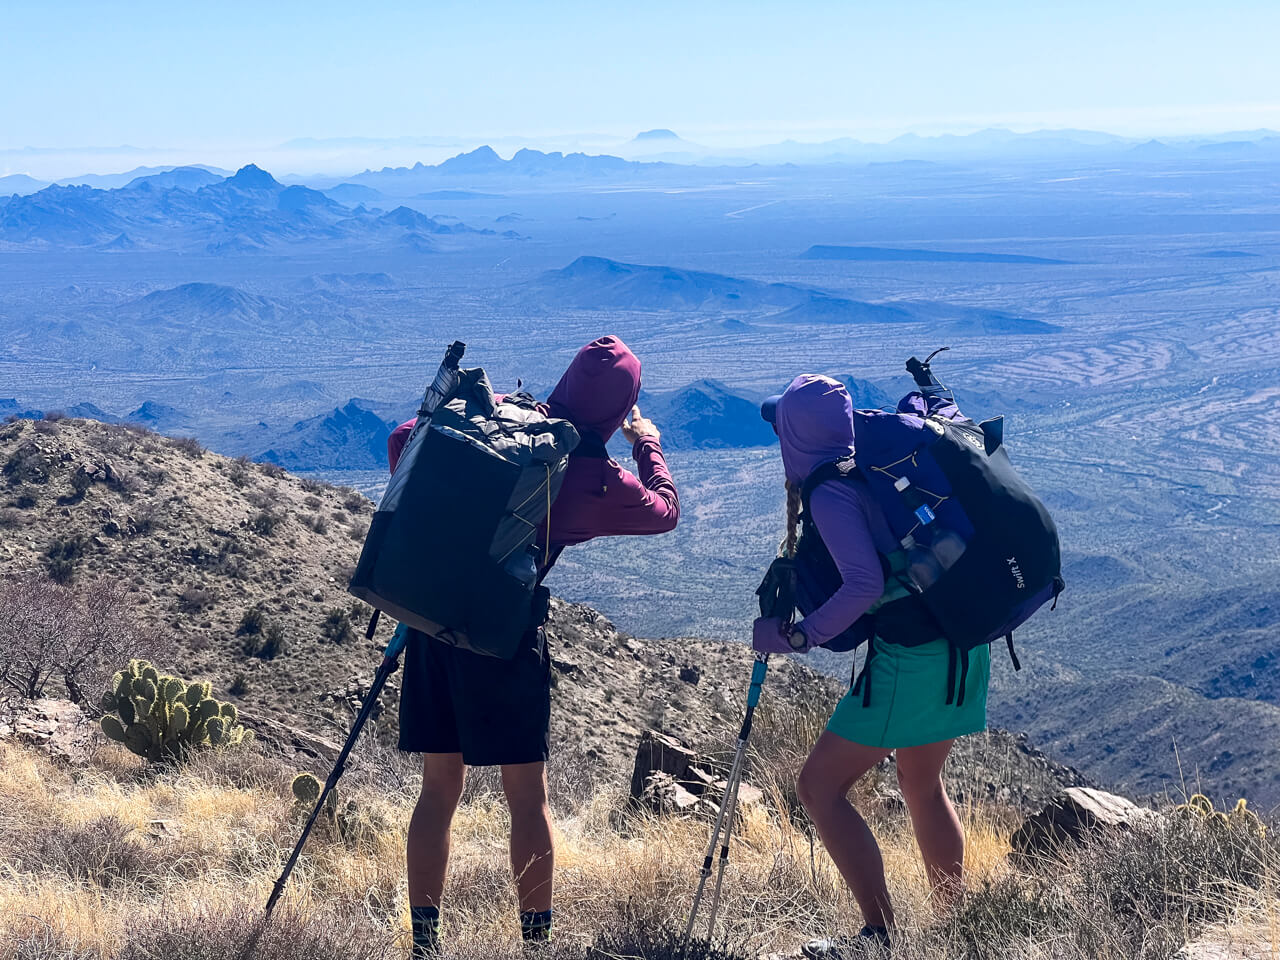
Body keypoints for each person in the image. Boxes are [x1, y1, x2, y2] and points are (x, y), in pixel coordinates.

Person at [389, 335, 680, 956]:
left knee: (438, 789)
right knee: (527, 798)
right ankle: (536, 946)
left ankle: (423, 944)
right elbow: (663, 512)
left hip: (435, 623)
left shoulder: (503, 418)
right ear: (620, 406)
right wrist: (647, 443)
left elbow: (402, 440)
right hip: (502, 637)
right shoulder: (588, 474)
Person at [753, 374, 990, 960]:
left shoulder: (831, 493)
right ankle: (953, 933)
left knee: (818, 787)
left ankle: (879, 937)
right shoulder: (874, 465)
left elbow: (863, 584)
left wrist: (802, 635)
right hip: (962, 638)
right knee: (921, 783)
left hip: (912, 658)